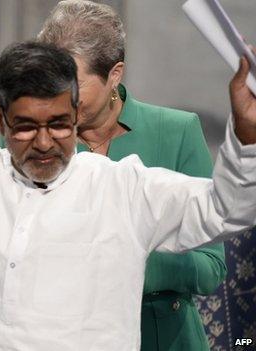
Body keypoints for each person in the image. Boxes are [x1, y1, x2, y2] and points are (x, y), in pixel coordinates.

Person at [0, 1, 256, 350]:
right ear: (2, 118)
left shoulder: (122, 187)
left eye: (61, 125)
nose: (45, 143)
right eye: (28, 126)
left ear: (75, 109)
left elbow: (226, 211)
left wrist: (247, 135)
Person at [36, 1, 226, 350]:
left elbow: (212, 266)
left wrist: (131, 262)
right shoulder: (31, 140)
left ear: (114, 75)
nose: (58, 98)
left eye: (72, 83)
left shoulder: (177, 132)